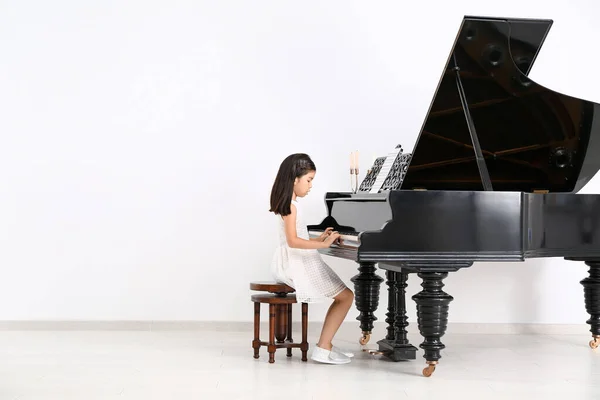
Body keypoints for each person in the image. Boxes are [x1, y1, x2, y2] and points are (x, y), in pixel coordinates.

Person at [269, 153, 355, 365]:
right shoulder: (290, 206)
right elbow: (293, 241)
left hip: (300, 259)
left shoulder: (290, 204)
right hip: (297, 263)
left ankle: (327, 345)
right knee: (346, 297)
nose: (310, 186)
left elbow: (298, 236)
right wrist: (323, 244)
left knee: (345, 296)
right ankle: (323, 348)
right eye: (309, 180)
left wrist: (321, 237)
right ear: (294, 179)